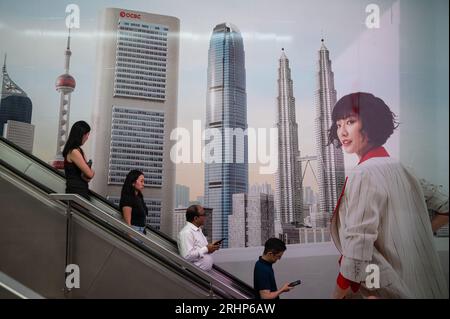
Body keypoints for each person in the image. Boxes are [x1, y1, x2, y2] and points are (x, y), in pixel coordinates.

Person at [328, 92, 448, 299]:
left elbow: (357, 248)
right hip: (425, 286)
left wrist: (337, 295)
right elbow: (446, 207)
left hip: (390, 290)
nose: (342, 132)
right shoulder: (402, 168)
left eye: (350, 121)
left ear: (371, 124)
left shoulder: (363, 173)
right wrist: (415, 234)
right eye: (338, 125)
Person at [177, 205, 220, 271]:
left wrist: (211, 248)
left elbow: (202, 251)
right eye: (203, 215)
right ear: (195, 218)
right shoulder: (186, 232)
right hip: (193, 276)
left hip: (202, 274)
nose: (205, 217)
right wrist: (206, 249)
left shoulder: (198, 230)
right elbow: (187, 256)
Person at [63, 120, 94, 200]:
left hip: (81, 192)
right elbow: (89, 174)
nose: (87, 138)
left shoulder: (79, 150)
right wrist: (91, 172)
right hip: (76, 194)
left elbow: (87, 177)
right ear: (81, 135)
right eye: (87, 134)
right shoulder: (74, 152)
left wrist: (88, 173)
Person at [119, 170, 148, 234]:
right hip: (134, 232)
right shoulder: (127, 198)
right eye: (141, 181)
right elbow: (128, 224)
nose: (143, 184)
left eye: (143, 181)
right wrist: (131, 240)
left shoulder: (139, 197)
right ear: (133, 182)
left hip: (142, 231)